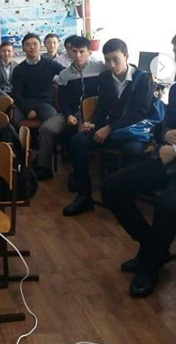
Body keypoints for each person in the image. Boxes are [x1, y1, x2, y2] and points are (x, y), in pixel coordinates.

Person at [102, 34, 176, 298]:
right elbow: (163, 124)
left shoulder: (142, 79)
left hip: (171, 157)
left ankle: (149, 265)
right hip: (168, 161)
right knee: (111, 187)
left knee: (167, 205)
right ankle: (151, 249)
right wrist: (165, 134)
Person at [63, 38, 154, 217]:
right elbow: (103, 107)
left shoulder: (143, 78)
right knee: (78, 141)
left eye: (115, 59)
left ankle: (125, 201)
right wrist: (93, 123)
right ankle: (84, 195)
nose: (111, 65)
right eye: (107, 60)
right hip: (111, 130)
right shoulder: (105, 77)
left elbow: (140, 113)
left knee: (132, 151)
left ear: (126, 56)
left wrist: (110, 128)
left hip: (134, 132)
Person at [35, 36, 106, 179]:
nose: (78, 55)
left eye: (82, 51)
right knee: (46, 128)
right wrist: (68, 115)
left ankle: (76, 174)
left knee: (80, 134)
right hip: (71, 112)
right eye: (74, 51)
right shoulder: (64, 74)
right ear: (69, 52)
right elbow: (62, 99)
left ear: (89, 52)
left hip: (91, 114)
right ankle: (44, 167)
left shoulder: (100, 68)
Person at [11, 33, 64, 125]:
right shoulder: (18, 69)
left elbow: (66, 73)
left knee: (53, 121)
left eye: (35, 44)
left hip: (44, 103)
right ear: (23, 49)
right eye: (28, 45)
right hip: (25, 104)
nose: (32, 47)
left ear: (40, 46)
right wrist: (27, 110)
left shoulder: (50, 64)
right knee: (12, 120)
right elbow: (17, 93)